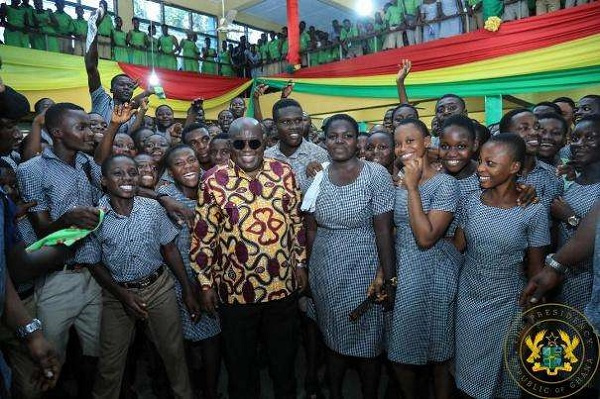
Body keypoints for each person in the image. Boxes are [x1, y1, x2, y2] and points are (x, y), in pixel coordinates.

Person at [191, 117, 306, 399]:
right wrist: (205, 284)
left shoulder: (284, 173)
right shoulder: (212, 182)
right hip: (236, 292)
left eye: (254, 142)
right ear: (229, 146)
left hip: (282, 287)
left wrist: (301, 262)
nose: (247, 149)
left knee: (284, 362)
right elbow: (203, 236)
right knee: (241, 367)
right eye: (239, 143)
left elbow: (296, 223)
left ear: (265, 142)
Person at [86, 154, 199, 399]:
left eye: (132, 173)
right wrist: (123, 295)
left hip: (159, 288)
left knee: (174, 355)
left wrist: (188, 289)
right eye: (118, 173)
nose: (127, 178)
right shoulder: (95, 217)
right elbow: (93, 263)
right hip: (118, 296)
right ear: (104, 181)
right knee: (110, 364)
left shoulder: (152, 208)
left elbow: (169, 249)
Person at [304, 114, 396, 399]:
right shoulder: (317, 178)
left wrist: (389, 278)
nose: (340, 141)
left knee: (368, 341)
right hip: (326, 269)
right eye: (333, 136)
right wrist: (308, 273)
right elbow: (310, 231)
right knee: (331, 337)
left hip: (365, 267)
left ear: (358, 141)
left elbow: (384, 231)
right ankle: (335, 393)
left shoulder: (376, 175)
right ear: (325, 140)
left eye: (347, 136)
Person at [16, 103, 104, 397]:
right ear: (57, 132)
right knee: (52, 359)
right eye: (81, 127)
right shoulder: (31, 170)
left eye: (89, 126)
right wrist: (66, 219)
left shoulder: (86, 163)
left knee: (93, 354)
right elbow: (40, 230)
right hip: (57, 278)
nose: (89, 132)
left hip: (91, 274)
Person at [453, 133, 549, 398]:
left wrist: (531, 313)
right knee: (468, 372)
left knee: (504, 372)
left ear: (514, 167)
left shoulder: (532, 210)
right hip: (470, 296)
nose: (481, 168)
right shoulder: (471, 201)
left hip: (509, 300)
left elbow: (537, 270)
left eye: (490, 163)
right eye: (481, 161)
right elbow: (457, 247)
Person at [388, 118, 460, 399]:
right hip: (407, 271)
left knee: (439, 354)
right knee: (401, 354)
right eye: (398, 143)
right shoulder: (400, 181)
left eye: (410, 141)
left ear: (427, 142)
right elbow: (397, 228)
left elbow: (427, 237)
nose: (402, 148)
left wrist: (414, 187)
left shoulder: (445, 184)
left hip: (435, 272)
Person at [157, 145, 221, 399]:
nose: (188, 167)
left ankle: (212, 390)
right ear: (170, 172)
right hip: (180, 278)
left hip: (214, 278)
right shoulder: (167, 199)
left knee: (213, 336)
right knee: (179, 340)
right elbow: (168, 248)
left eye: (191, 160)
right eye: (179, 164)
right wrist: (188, 289)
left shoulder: (214, 192)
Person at [552, 116, 600, 312]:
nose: (580, 144)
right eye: (575, 138)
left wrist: (570, 217)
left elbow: (596, 239)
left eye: (590, 138)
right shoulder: (571, 181)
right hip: (565, 277)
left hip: (590, 280)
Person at [85, 19, 151, 135]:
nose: (126, 88)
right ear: (111, 89)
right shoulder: (101, 99)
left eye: (130, 86)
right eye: (121, 85)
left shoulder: (132, 114)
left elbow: (129, 136)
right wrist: (93, 30)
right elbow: (91, 67)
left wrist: (147, 93)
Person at [499, 108, 562, 210]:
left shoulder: (553, 175)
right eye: (524, 128)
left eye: (537, 127)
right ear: (505, 135)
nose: (534, 132)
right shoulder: (493, 174)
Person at [265, 99, 329, 193]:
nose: (294, 127)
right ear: (275, 126)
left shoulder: (320, 155)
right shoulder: (265, 158)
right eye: (286, 122)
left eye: (298, 121)